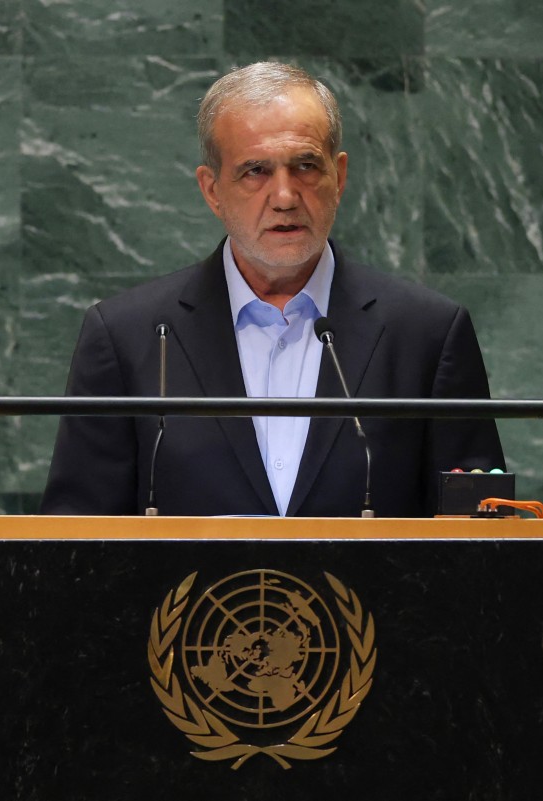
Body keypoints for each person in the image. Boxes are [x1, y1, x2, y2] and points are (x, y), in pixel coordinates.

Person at [40, 61, 504, 517]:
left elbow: (478, 539)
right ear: (212, 190)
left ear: (338, 178)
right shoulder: (127, 336)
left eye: (305, 166)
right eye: (255, 171)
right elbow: (75, 541)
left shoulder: (426, 335)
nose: (284, 197)